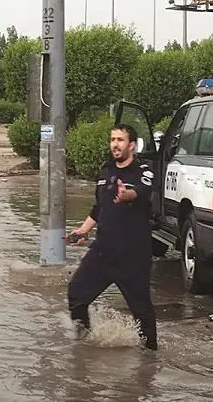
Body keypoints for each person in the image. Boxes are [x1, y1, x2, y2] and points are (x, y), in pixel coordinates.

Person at [66, 123, 157, 350]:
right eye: (112, 139)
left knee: (142, 311)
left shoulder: (144, 170)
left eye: (120, 140)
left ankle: (150, 359)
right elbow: (100, 208)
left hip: (132, 255)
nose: (115, 144)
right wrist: (83, 231)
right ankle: (83, 344)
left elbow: (141, 191)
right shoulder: (106, 171)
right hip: (103, 251)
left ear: (132, 145)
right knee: (76, 294)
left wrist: (128, 195)